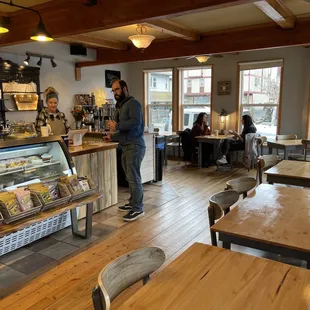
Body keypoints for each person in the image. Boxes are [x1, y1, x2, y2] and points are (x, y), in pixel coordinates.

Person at [108, 80, 146, 222]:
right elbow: (123, 130)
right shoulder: (121, 105)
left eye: (117, 90)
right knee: (130, 177)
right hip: (125, 145)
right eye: (113, 90)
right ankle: (132, 203)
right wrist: (112, 135)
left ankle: (138, 208)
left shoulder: (133, 103)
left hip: (135, 146)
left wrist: (117, 125)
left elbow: (136, 123)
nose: (115, 93)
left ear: (125, 88)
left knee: (134, 177)